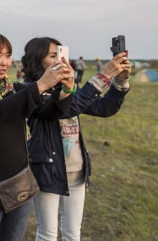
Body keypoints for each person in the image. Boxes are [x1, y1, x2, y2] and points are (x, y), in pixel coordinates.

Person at [0, 31, 74, 241]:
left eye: (7, 55)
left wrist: (67, 90)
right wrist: (40, 85)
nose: (4, 62)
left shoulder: (16, 90)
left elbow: (50, 112)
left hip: (19, 183)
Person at [21, 37, 131, 241]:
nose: (61, 60)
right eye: (53, 56)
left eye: (61, 55)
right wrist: (103, 75)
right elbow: (66, 109)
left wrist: (120, 80)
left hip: (77, 170)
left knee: (73, 233)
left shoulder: (68, 85)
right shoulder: (30, 91)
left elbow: (104, 107)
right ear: (37, 60)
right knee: (48, 235)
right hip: (47, 170)